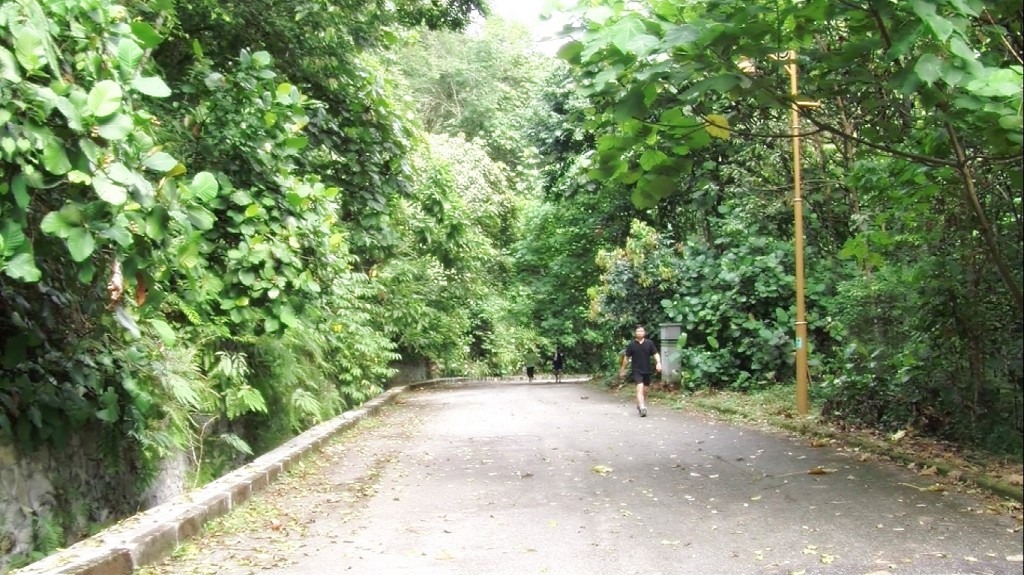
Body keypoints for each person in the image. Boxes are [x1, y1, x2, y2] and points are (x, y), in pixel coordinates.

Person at [619, 326, 661, 417]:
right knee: (639, 388)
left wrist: (658, 363)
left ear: (644, 333)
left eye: (641, 331)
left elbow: (655, 353)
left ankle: (639, 404)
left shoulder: (649, 343)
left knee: (644, 390)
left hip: (647, 370)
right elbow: (626, 358)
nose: (639, 333)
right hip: (636, 370)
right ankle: (642, 407)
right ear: (635, 333)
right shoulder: (631, 345)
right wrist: (623, 369)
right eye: (637, 331)